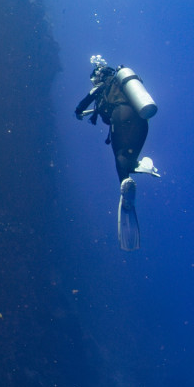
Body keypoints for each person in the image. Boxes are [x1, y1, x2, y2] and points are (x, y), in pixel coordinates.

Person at [75, 55, 160, 251]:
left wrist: (78, 111)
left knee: (120, 155)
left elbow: (87, 99)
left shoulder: (104, 84)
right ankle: (137, 166)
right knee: (129, 156)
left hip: (121, 116)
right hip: (141, 120)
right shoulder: (122, 85)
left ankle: (125, 187)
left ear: (98, 76)